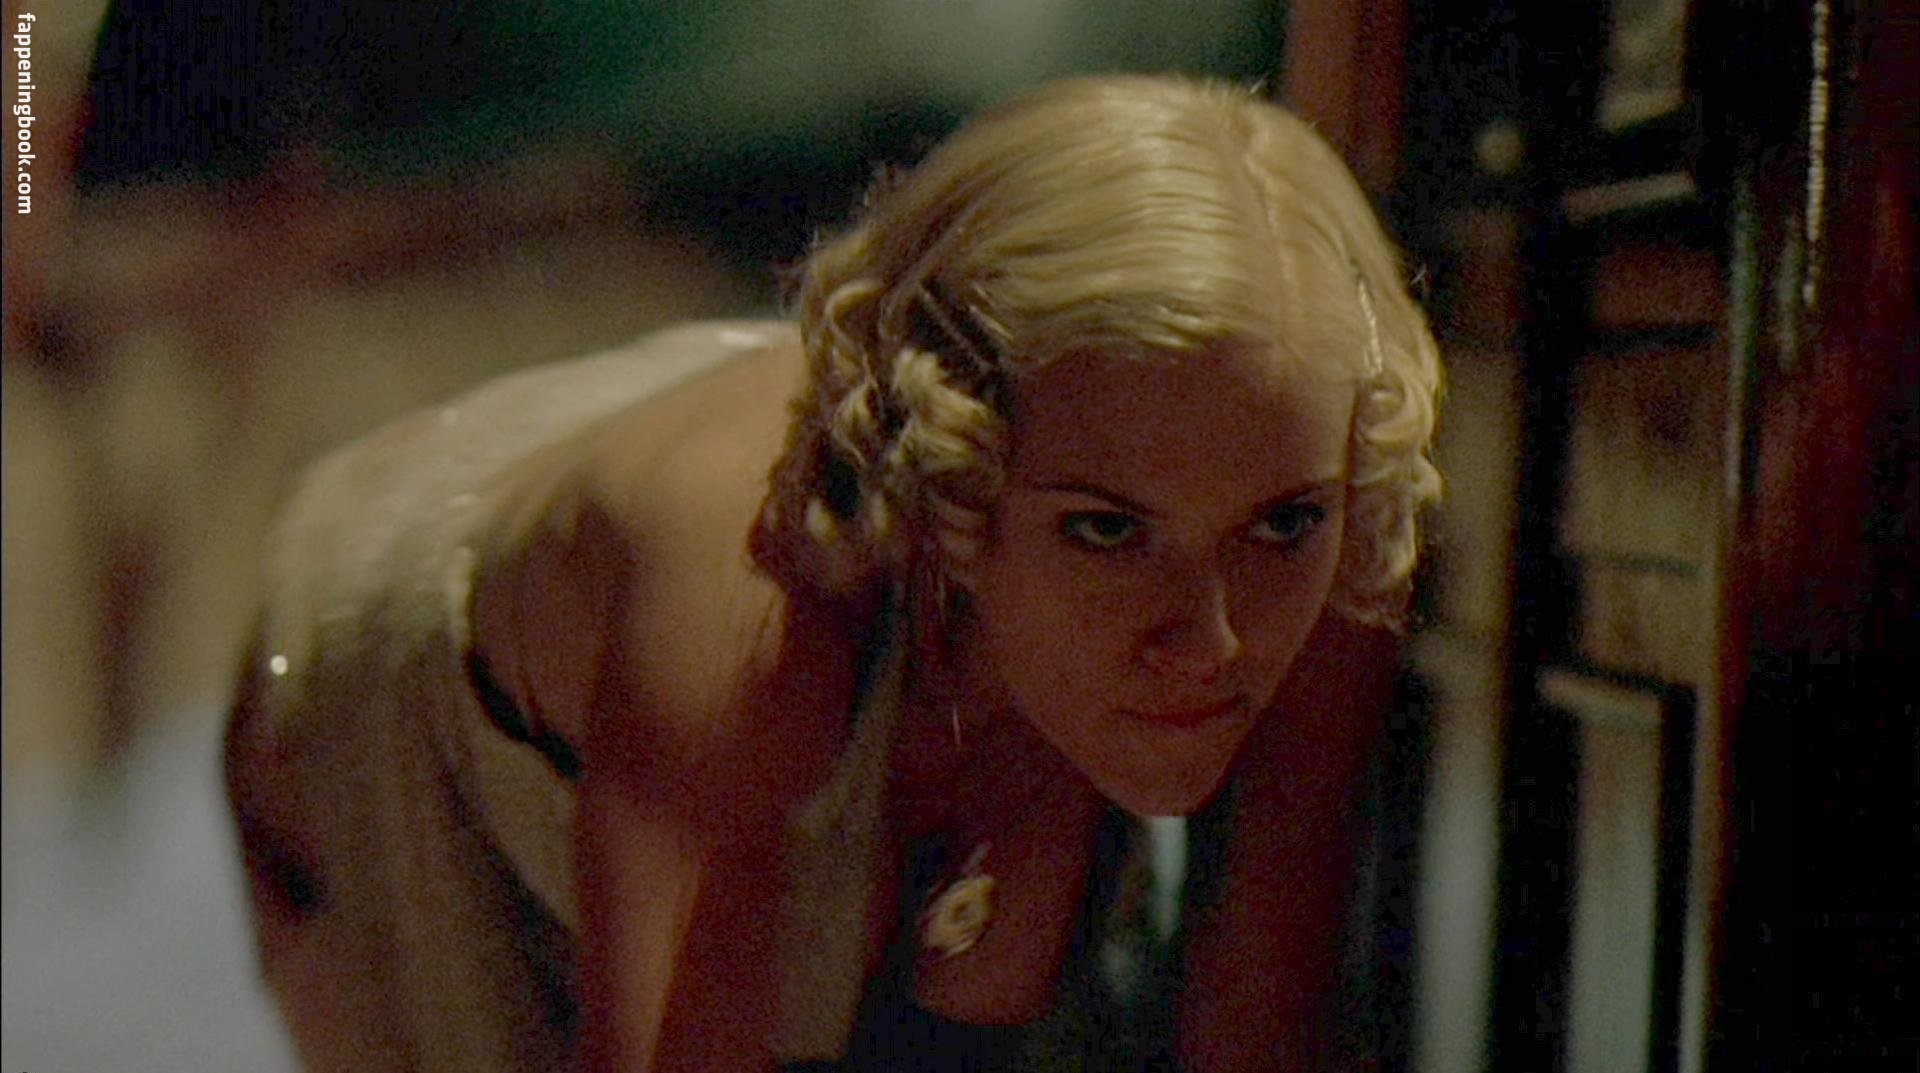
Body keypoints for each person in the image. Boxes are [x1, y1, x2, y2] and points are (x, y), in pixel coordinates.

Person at [224, 73, 1443, 1072]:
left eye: (1283, 525)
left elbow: (1255, 1027)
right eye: (1109, 532)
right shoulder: (746, 601)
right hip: (380, 711)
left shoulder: (1315, 515)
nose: (1217, 636)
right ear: (957, 469)